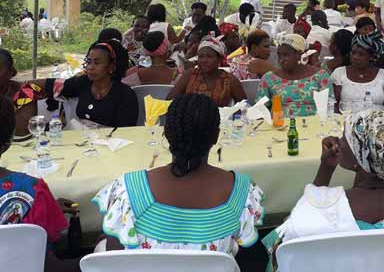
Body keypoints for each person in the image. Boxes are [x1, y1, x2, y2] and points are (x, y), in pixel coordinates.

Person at [92, 94, 264, 253]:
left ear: (166, 133)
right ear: (216, 135)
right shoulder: (241, 192)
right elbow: (244, 250)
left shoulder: (128, 190)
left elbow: (115, 255)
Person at [264, 110, 384, 267]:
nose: (339, 142)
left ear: (359, 158)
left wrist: (325, 168)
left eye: (345, 137)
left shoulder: (327, 206)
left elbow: (291, 236)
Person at [0, 96, 73, 257]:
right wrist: (44, 208)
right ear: (10, 140)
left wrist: (45, 208)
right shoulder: (33, 190)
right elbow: (47, 257)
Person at [28, 40, 138, 127]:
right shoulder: (83, 83)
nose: (90, 67)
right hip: (82, 141)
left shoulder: (125, 94)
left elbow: (126, 132)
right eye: (88, 62)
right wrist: (24, 88)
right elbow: (49, 84)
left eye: (97, 63)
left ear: (111, 67)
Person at [256, 34, 330, 117]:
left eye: (285, 55)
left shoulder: (320, 76)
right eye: (279, 55)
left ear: (299, 54)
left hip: (314, 123)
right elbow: (260, 109)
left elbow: (329, 106)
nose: (281, 60)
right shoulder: (269, 78)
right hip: (280, 124)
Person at [168, 36, 246, 106]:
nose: (204, 60)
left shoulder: (230, 80)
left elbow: (244, 106)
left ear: (219, 59)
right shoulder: (190, 75)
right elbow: (169, 100)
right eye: (201, 56)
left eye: (209, 56)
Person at [331, 33, 384, 111]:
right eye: (353, 52)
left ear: (371, 57)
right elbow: (332, 104)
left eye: (361, 54)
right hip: (345, 117)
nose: (355, 57)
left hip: (377, 118)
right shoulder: (339, 73)